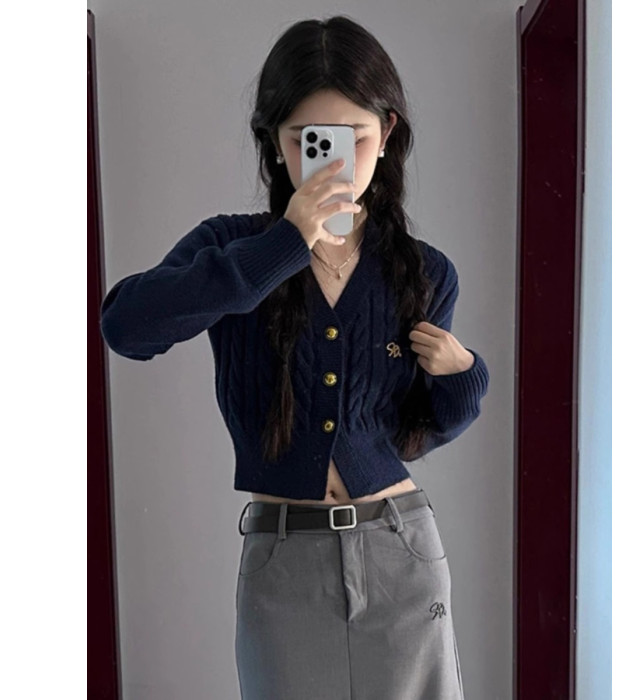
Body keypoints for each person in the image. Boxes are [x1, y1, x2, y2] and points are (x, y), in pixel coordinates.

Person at [100, 14, 489, 700]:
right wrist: (284, 245)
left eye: (355, 138)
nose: (335, 161)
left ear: (387, 133)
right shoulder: (234, 247)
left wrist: (463, 378)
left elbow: (414, 433)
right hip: (282, 562)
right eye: (309, 140)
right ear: (276, 143)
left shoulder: (424, 272)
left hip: (400, 551)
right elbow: (127, 327)